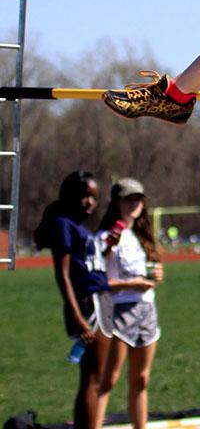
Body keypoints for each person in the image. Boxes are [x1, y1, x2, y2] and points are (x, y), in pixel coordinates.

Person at [33, 171, 114, 429]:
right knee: (93, 379)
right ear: (70, 196)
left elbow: (90, 263)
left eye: (94, 197)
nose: (90, 202)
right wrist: (78, 316)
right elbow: (63, 274)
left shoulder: (79, 226)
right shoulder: (63, 224)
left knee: (96, 377)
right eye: (85, 196)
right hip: (88, 304)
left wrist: (108, 247)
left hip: (102, 300)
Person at [94, 178, 164, 429]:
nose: (134, 204)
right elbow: (98, 282)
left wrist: (156, 276)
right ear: (117, 203)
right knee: (108, 380)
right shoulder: (106, 238)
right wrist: (129, 285)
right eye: (128, 199)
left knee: (141, 379)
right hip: (119, 311)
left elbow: (150, 273)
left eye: (138, 200)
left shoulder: (142, 236)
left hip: (147, 310)